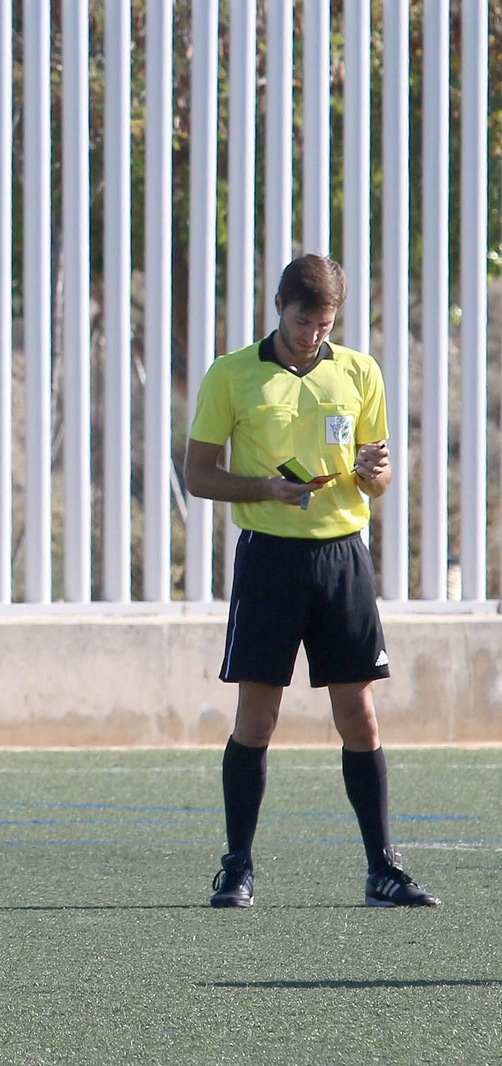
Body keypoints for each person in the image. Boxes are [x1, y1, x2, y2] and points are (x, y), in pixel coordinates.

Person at [184, 252, 438, 910]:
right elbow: (199, 474)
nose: (313, 335)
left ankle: (383, 867)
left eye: (326, 324)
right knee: (258, 717)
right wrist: (264, 487)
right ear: (277, 307)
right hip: (269, 558)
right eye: (304, 321)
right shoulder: (232, 375)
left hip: (341, 560)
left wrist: (370, 471)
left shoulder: (359, 373)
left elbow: (378, 478)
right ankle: (236, 865)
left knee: (359, 714)